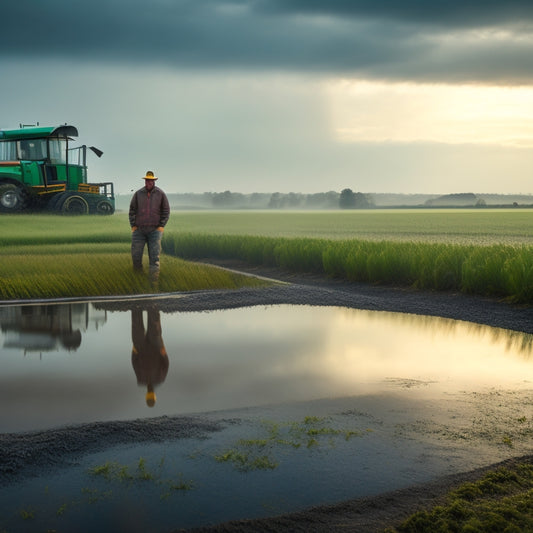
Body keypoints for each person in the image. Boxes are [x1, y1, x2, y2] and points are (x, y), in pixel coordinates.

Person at [129, 171, 170, 285]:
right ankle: (138, 280)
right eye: (147, 180)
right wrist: (134, 226)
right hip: (139, 231)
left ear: (154, 181)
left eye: (151, 180)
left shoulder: (160, 194)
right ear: (145, 181)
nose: (149, 182)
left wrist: (161, 226)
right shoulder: (138, 194)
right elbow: (132, 210)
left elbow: (166, 211)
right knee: (136, 256)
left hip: (155, 231)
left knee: (154, 258)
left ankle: (153, 282)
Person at [131, 307, 169, 407]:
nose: (150, 393)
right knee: (154, 325)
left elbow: (134, 363)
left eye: (149, 396)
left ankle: (136, 306)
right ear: (154, 396)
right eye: (151, 396)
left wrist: (134, 352)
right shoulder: (160, 378)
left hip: (141, 348)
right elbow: (166, 365)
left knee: (136, 325)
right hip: (155, 348)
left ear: (147, 396)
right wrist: (163, 352)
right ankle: (152, 306)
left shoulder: (141, 379)